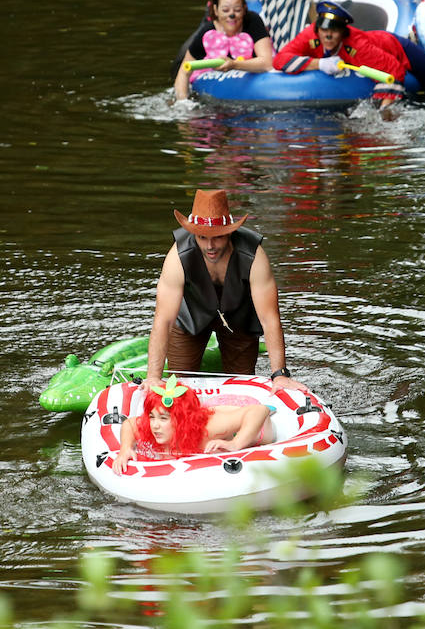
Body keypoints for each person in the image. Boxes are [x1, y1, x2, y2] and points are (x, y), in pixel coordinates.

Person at [143, 189, 304, 394]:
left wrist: (279, 374)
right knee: (180, 385)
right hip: (190, 316)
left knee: (243, 386)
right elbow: (163, 319)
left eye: (217, 237)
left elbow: (269, 318)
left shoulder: (253, 255)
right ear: (193, 233)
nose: (210, 246)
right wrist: (153, 377)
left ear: (229, 232)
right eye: (202, 237)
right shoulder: (178, 256)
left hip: (240, 318)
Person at [111, 375, 273, 473]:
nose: (155, 426)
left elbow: (259, 410)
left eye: (163, 418)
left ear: (181, 419)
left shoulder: (209, 429)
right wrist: (125, 448)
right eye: (152, 417)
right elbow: (130, 424)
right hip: (211, 409)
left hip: (251, 419)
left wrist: (235, 444)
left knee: (254, 427)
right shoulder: (151, 426)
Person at [272, 0, 412, 104]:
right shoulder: (309, 35)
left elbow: (393, 71)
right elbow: (280, 60)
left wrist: (383, 112)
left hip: (399, 47)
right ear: (317, 29)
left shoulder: (356, 46)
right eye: (324, 30)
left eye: (334, 31)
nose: (328, 36)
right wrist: (319, 64)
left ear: (343, 33)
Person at [172, 0, 274, 101]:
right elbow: (184, 70)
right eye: (225, 10)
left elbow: (267, 62)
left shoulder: (253, 22)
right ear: (216, 10)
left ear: (244, 9)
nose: (231, 15)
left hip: (246, 70)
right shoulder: (208, 32)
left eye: (237, 10)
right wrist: (183, 103)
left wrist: (234, 65)